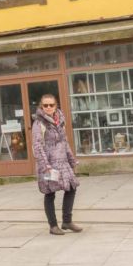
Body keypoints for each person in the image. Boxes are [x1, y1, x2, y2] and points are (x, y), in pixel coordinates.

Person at [32, 94, 81, 235]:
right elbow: (37, 146)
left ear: (56, 105)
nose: (48, 108)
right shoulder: (38, 123)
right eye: (45, 105)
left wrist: (72, 160)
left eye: (51, 105)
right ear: (41, 106)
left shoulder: (60, 121)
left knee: (72, 188)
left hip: (63, 162)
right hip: (48, 164)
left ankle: (67, 221)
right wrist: (45, 166)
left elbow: (64, 142)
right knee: (50, 193)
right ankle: (53, 226)